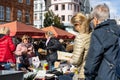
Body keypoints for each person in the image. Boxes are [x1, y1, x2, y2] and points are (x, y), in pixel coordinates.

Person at [84, 4, 120, 80]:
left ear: (95, 19)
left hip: (105, 75)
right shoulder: (118, 30)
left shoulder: (98, 33)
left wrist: (88, 76)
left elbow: (92, 60)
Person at [66, 12, 92, 80]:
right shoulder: (92, 34)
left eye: (74, 26)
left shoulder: (80, 37)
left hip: (82, 72)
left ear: (78, 25)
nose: (74, 28)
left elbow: (76, 60)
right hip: (91, 71)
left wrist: (70, 60)